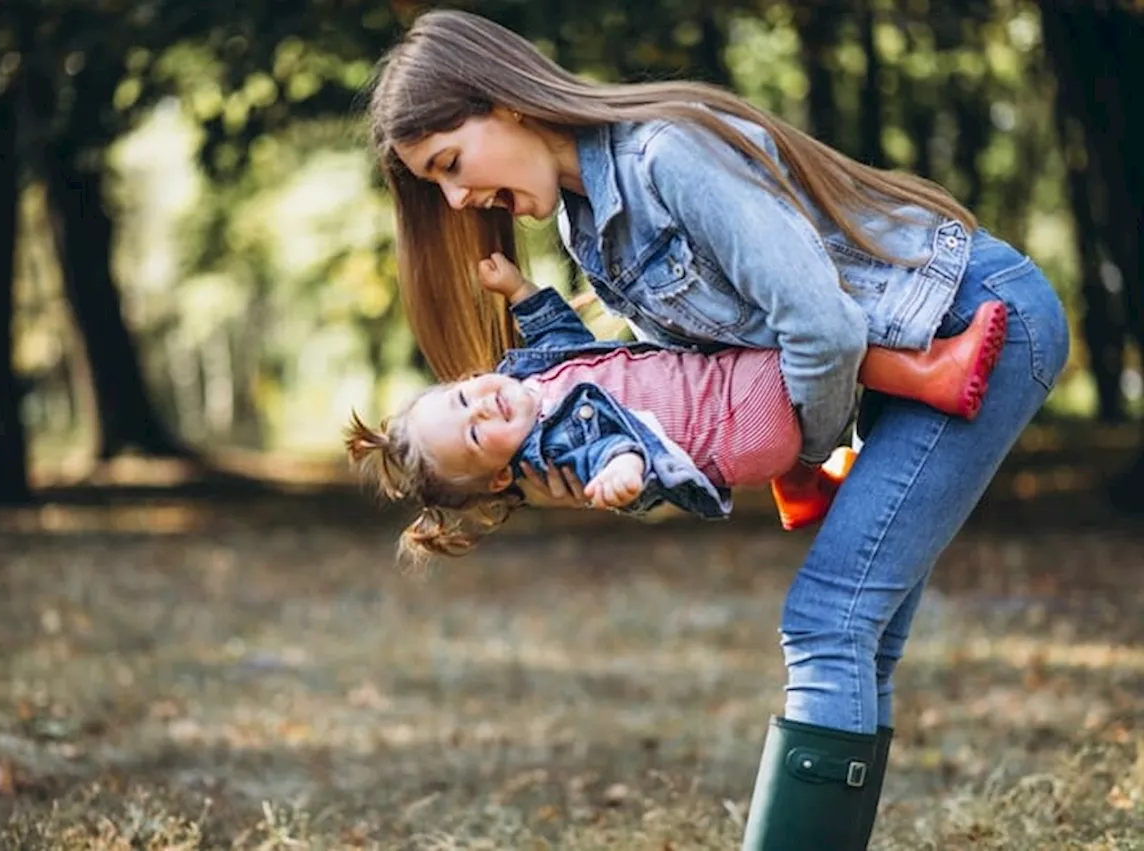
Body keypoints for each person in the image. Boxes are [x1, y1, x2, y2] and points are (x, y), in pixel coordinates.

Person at [365, 10, 1070, 850]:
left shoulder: (666, 156)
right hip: (908, 347)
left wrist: (797, 449)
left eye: (451, 164)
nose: (455, 200)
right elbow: (681, 386)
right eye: (434, 185)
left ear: (506, 103)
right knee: (859, 633)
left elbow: (822, 329)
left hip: (975, 317)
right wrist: (615, 461)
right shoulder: (581, 225)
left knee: (828, 620)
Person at [348, 252, 1009, 560]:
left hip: (731, 417)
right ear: (499, 475)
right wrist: (622, 470)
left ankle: (800, 484)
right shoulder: (553, 440)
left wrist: (521, 290)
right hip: (734, 419)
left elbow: (565, 342)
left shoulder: (531, 385)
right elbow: (607, 442)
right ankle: (932, 374)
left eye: (465, 394)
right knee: (808, 335)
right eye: (472, 433)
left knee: (766, 352)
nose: (482, 407)